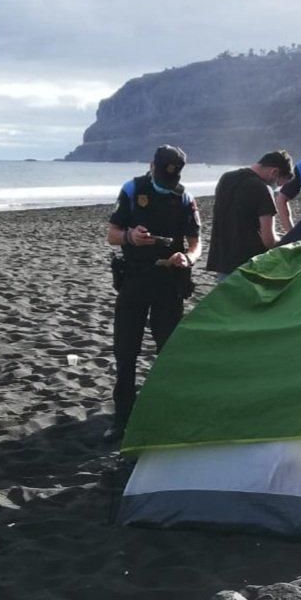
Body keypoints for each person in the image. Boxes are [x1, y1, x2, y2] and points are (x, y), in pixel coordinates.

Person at [105, 144, 202, 442]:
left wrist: (187, 258)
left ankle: (167, 413)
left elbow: (196, 243)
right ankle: (122, 419)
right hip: (134, 280)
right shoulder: (133, 189)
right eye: (162, 175)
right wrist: (131, 237)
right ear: (152, 166)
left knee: (169, 352)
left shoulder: (184, 198)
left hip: (169, 283)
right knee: (126, 351)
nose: (166, 182)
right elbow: (112, 235)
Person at [206, 150, 294, 277]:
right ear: (274, 172)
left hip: (223, 261)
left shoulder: (226, 178)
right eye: (278, 183)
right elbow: (268, 240)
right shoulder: (262, 189)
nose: (276, 187)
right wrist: (284, 241)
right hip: (249, 265)